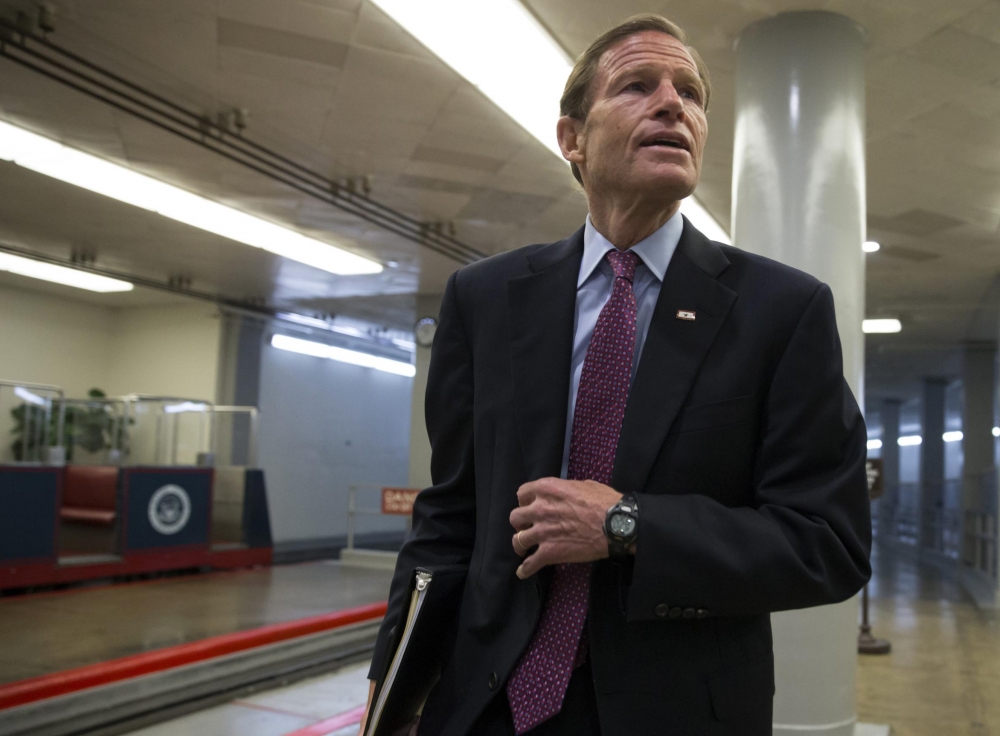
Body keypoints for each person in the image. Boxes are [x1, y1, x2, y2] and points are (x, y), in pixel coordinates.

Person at [360, 13, 871, 736]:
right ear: (572, 138)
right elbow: (449, 519)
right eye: (637, 85)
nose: (674, 104)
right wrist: (394, 685)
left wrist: (629, 524)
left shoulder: (782, 312)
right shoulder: (486, 300)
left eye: (690, 94)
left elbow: (829, 542)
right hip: (486, 703)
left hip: (677, 711)